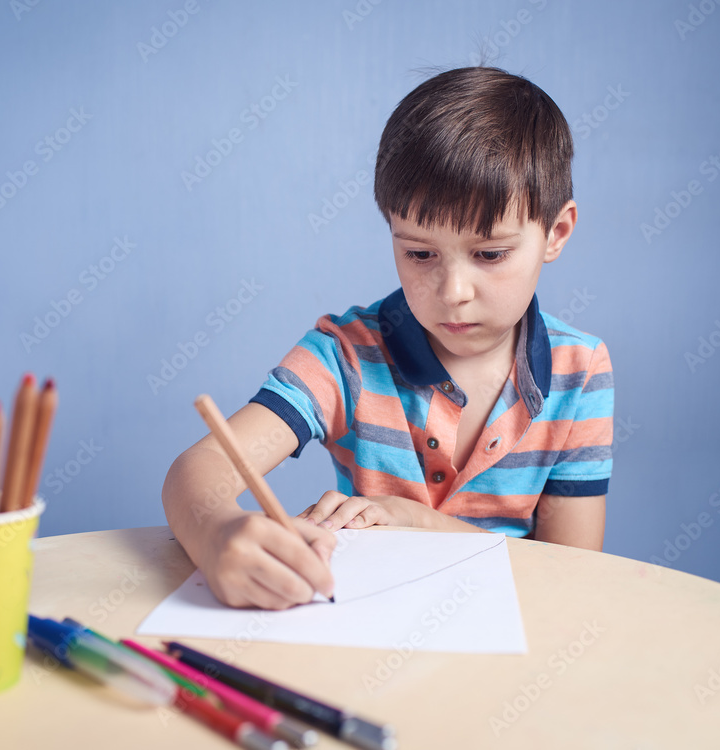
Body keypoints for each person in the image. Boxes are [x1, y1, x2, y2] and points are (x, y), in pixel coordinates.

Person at [162, 67, 614, 610]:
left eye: (490, 254)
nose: (453, 291)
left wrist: (421, 524)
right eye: (420, 254)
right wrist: (217, 534)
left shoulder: (579, 369)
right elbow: (200, 469)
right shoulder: (346, 357)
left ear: (555, 233)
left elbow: (573, 575)